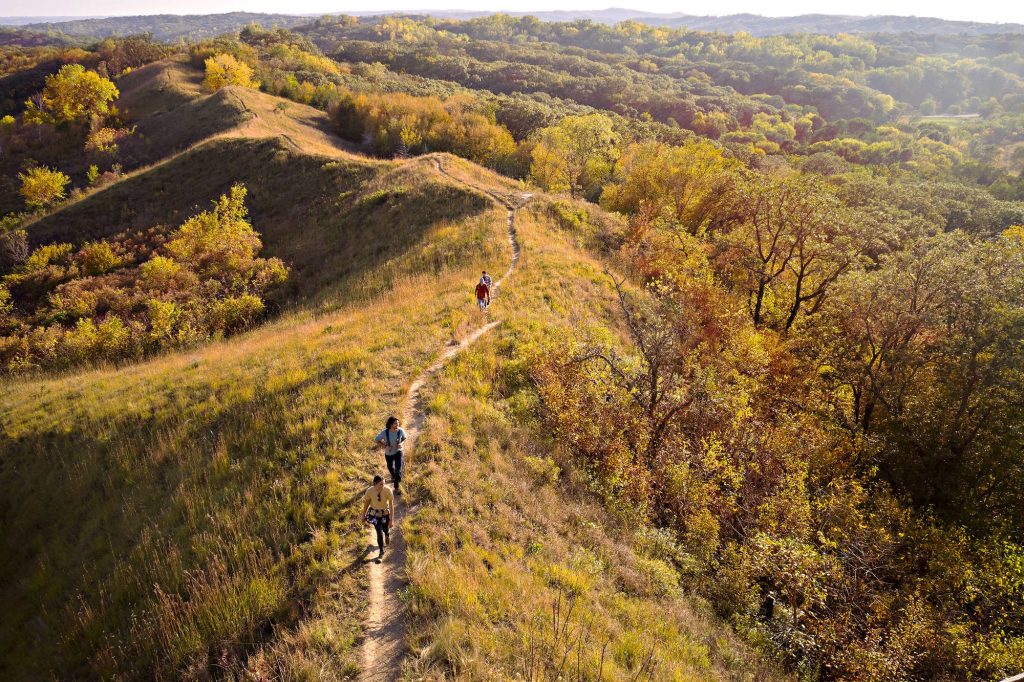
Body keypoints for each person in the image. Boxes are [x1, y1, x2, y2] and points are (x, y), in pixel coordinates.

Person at [361, 474, 394, 561]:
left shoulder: (388, 490)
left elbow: (391, 506)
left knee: (385, 529)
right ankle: (381, 551)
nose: (383, 485)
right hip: (375, 514)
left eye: (384, 483)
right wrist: (363, 515)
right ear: (375, 484)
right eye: (381, 484)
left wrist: (391, 520)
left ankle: (387, 534)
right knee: (379, 532)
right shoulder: (369, 491)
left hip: (385, 513)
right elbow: (367, 503)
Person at [374, 416, 407, 494]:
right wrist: (384, 446)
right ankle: (393, 475)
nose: (397, 425)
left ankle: (396, 486)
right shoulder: (385, 432)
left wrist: (401, 443)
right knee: (390, 467)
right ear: (391, 424)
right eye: (395, 423)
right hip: (388, 454)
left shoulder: (400, 431)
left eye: (398, 423)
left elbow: (405, 438)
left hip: (398, 452)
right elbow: (376, 439)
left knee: (398, 469)